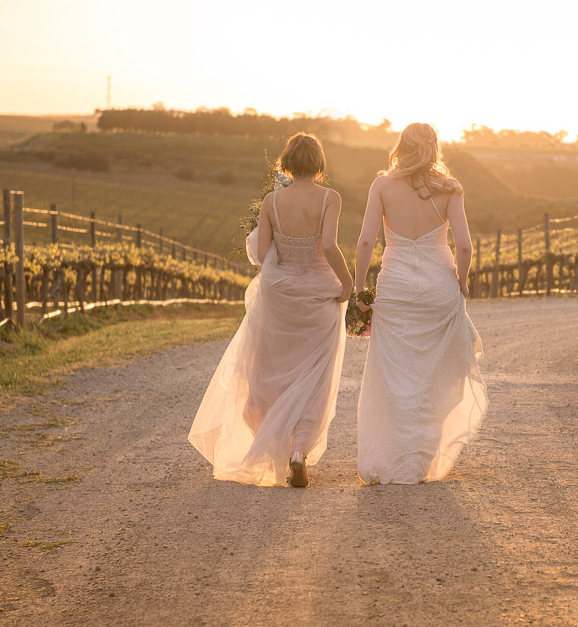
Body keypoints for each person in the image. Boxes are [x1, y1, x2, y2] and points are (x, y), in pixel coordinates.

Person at [189, 133, 353, 487]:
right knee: (314, 380)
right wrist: (348, 284)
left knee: (271, 373)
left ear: (288, 163)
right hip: (317, 297)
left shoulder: (271, 202)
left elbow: (263, 256)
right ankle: (298, 450)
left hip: (280, 299)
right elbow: (328, 245)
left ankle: (278, 447)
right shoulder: (330, 198)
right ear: (319, 163)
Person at [353, 123, 488, 484]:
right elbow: (463, 246)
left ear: (401, 146)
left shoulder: (381, 186)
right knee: (435, 373)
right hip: (437, 290)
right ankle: (422, 456)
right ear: (434, 147)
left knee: (394, 375)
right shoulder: (450, 189)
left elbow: (366, 242)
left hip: (396, 288)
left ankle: (394, 457)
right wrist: (461, 282)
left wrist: (359, 288)